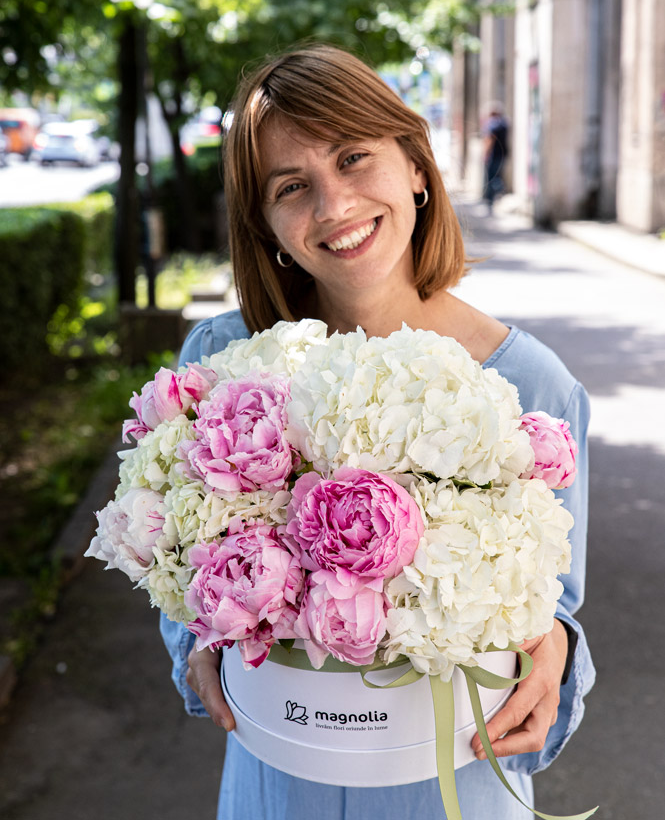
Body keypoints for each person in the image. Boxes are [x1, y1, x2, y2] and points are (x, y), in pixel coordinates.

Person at [160, 44, 594, 819]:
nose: (333, 206)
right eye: (291, 187)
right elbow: (179, 562)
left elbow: (554, 599)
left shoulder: (533, 384)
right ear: (264, 225)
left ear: (417, 167)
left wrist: (554, 651)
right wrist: (195, 640)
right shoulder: (218, 366)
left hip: (450, 786)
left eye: (354, 157)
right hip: (278, 782)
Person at [482, 102, 510, 215]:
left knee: (491, 178)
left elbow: (489, 139)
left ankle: (490, 200)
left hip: (493, 155)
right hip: (503, 155)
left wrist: (485, 153)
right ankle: (499, 190)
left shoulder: (492, 124)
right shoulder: (504, 124)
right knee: (498, 175)